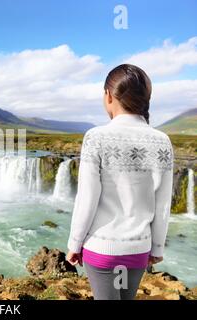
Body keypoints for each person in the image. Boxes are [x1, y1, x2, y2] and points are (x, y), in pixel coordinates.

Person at [66, 64, 174, 300]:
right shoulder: (162, 141)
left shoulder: (96, 137)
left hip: (101, 248)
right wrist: (157, 247)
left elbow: (87, 198)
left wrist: (75, 243)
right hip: (139, 249)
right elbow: (163, 203)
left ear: (108, 95)